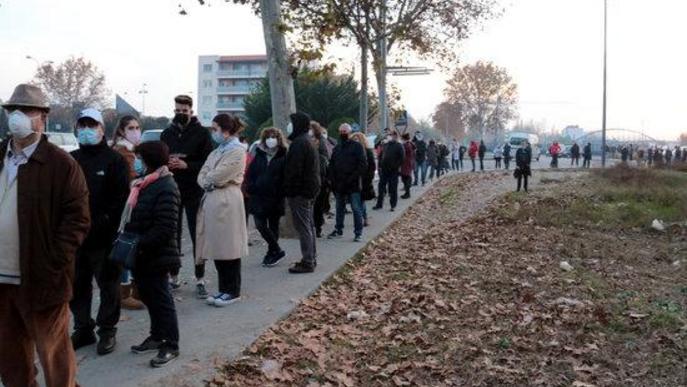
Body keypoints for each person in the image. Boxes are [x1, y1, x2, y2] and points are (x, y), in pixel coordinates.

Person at [0, 84, 90, 387]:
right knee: (11, 362)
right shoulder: (1, 157)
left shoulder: (61, 164)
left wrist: (52, 264)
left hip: (42, 280)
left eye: (27, 110)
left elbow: (77, 220)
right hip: (2, 280)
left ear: (43, 117)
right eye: (14, 110)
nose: (18, 117)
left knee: (55, 360)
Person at [69, 108, 130, 356]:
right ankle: (83, 328)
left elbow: (121, 199)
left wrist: (102, 221)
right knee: (77, 286)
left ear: (102, 129)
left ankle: (107, 330)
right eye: (82, 125)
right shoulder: (70, 159)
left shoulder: (114, 161)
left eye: (91, 125)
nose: (86, 130)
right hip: (74, 237)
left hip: (104, 237)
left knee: (108, 286)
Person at [124, 141, 181, 368]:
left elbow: (165, 227)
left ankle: (171, 344)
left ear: (148, 159)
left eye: (138, 157)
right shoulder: (144, 183)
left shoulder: (166, 185)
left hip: (157, 253)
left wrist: (139, 243)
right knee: (149, 296)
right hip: (142, 253)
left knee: (162, 299)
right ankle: (156, 336)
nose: (135, 161)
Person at [160, 95, 214, 298]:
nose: (180, 114)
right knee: (172, 235)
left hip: (194, 190)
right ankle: (173, 277)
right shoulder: (167, 133)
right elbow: (161, 158)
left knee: (197, 234)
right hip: (172, 189)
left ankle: (200, 278)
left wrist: (187, 165)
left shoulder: (202, 133)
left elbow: (208, 163)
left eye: (184, 111)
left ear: (191, 111)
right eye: (177, 111)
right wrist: (168, 162)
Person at [196, 114, 249, 306]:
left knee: (230, 247)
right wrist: (208, 179)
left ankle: (232, 290)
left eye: (215, 128)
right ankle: (222, 288)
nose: (213, 132)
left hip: (228, 200)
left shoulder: (237, 151)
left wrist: (209, 179)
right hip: (213, 200)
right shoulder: (217, 151)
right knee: (218, 247)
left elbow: (217, 177)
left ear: (225, 131)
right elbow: (202, 176)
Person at [112, 116, 146, 310]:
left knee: (130, 245)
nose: (135, 131)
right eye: (131, 128)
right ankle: (124, 292)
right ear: (122, 131)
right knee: (126, 246)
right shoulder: (123, 151)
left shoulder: (132, 150)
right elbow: (131, 179)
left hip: (130, 204)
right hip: (125, 205)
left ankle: (131, 289)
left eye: (137, 127)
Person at [284, 112, 321, 274]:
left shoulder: (299, 143)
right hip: (309, 189)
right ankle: (311, 257)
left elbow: (294, 171)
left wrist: (289, 189)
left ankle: (308, 261)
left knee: (304, 226)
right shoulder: (307, 141)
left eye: (291, 122)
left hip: (300, 192)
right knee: (309, 225)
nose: (289, 126)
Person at [245, 127, 288, 265]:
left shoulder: (284, 154)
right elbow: (251, 172)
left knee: (274, 225)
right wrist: (251, 186)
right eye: (268, 136)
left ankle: (271, 253)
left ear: (279, 138)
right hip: (259, 196)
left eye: (274, 136)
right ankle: (277, 249)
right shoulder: (259, 153)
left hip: (275, 197)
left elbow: (286, 176)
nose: (271, 139)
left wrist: (280, 190)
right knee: (260, 224)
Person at [327, 124, 367, 242]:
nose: (342, 133)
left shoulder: (357, 147)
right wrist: (333, 180)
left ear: (349, 133)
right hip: (339, 184)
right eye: (340, 131)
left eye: (344, 131)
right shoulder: (337, 148)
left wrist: (352, 178)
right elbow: (332, 165)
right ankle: (338, 229)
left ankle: (358, 233)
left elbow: (362, 165)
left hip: (353, 184)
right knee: (339, 208)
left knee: (356, 208)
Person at [374, 130, 405, 211]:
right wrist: (380, 165)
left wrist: (395, 166)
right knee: (381, 187)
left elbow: (402, 158)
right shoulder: (385, 145)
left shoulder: (399, 146)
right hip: (384, 170)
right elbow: (381, 155)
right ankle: (379, 204)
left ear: (395, 136)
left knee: (393, 189)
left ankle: (393, 205)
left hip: (393, 171)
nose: (389, 136)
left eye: (390, 135)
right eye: (388, 135)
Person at [350, 132, 376, 227]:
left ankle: (363, 219)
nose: (355, 141)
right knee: (356, 203)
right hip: (354, 180)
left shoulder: (368, 151)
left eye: (357, 139)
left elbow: (372, 167)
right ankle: (361, 219)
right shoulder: (351, 152)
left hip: (364, 180)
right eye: (353, 139)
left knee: (360, 202)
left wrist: (368, 178)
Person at [311, 122, 330, 238]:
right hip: (310, 179)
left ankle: (317, 227)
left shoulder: (321, 142)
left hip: (319, 179)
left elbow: (324, 159)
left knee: (317, 205)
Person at [400, 133, 416, 199]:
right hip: (409, 163)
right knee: (406, 177)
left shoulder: (406, 145)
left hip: (406, 163)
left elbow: (402, 154)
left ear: (404, 139)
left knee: (405, 178)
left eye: (402, 139)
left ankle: (407, 193)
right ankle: (407, 192)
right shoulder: (410, 144)